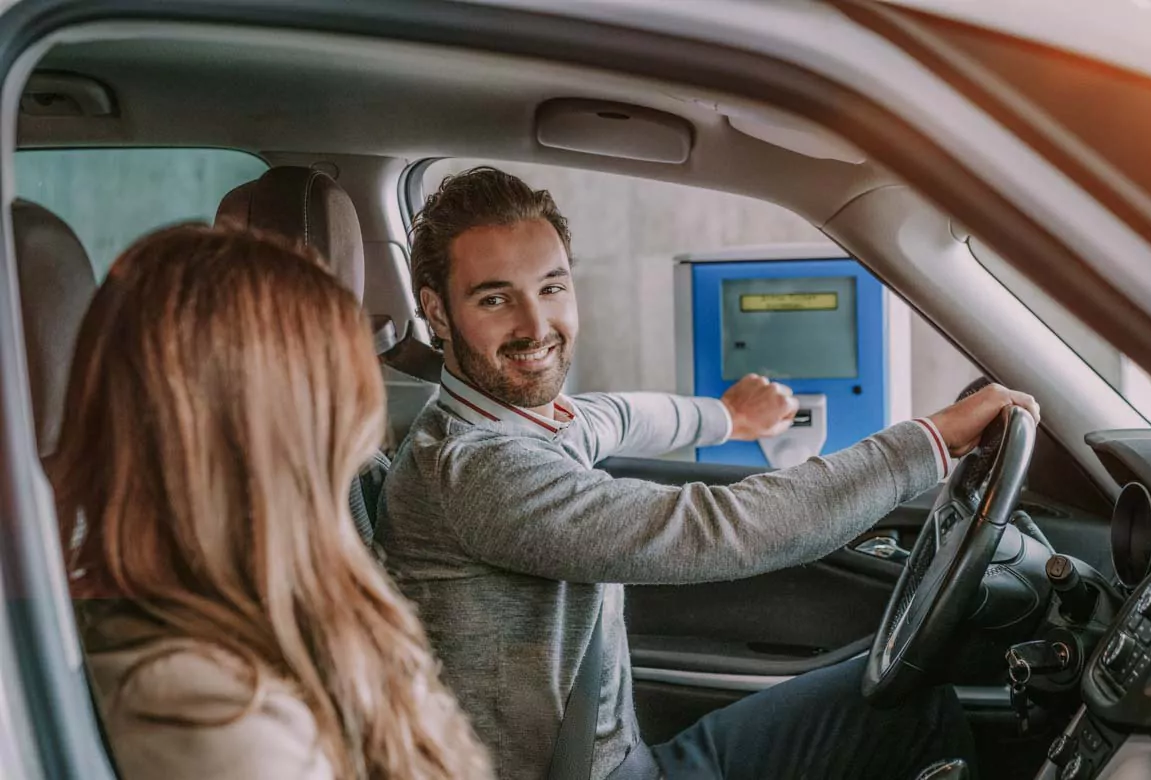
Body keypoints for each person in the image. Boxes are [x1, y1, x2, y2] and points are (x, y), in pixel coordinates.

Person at [374, 167, 1040, 780]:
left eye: (551, 287)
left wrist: (726, 418)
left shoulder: (518, 421)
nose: (535, 325)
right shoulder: (475, 469)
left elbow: (621, 417)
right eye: (495, 300)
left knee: (903, 704)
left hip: (626, 761)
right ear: (437, 312)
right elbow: (711, 531)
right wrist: (925, 444)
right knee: (908, 715)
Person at [50, 225, 492, 780]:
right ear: (273, 442)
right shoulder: (212, 713)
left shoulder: (291, 609)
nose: (362, 438)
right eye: (339, 407)